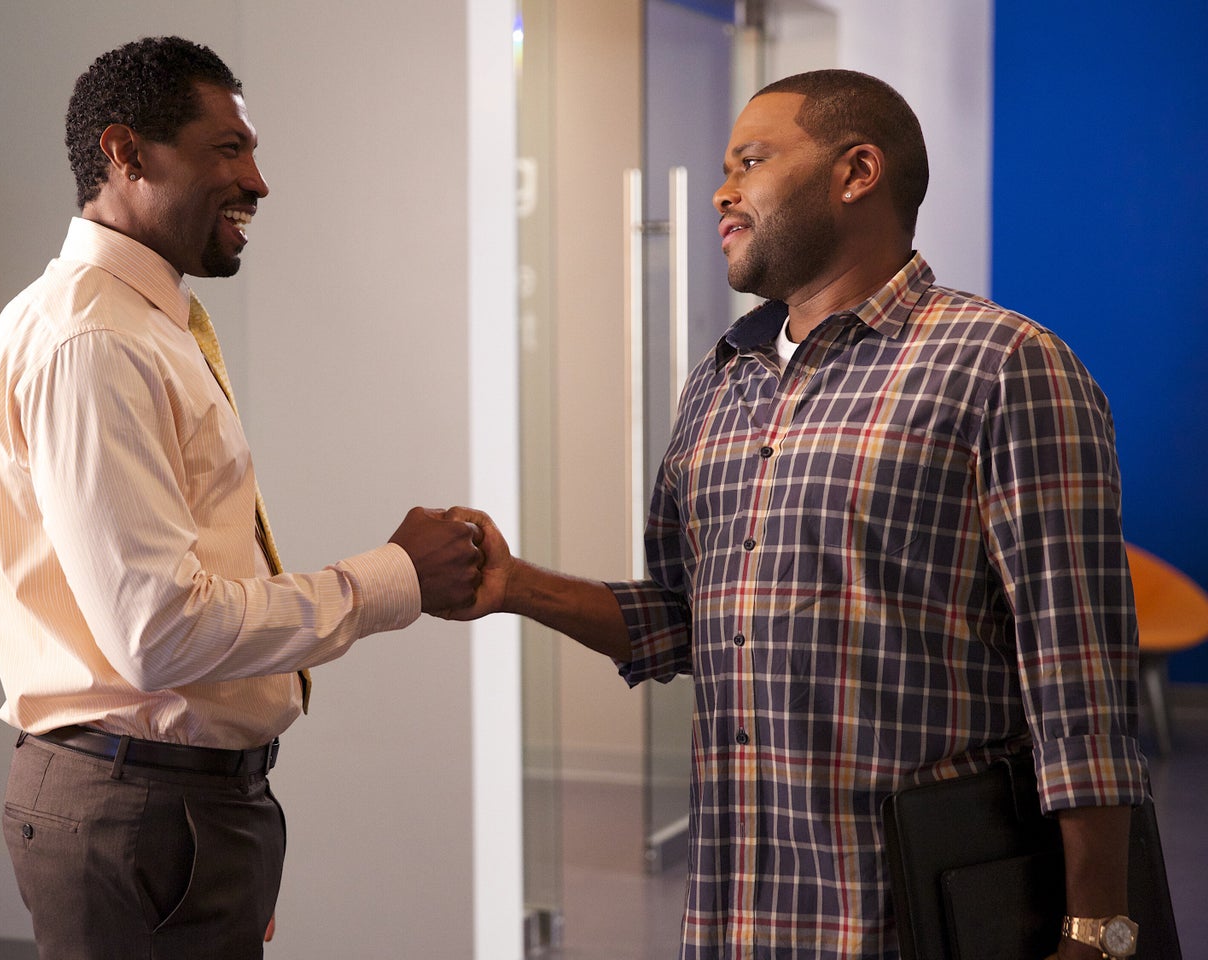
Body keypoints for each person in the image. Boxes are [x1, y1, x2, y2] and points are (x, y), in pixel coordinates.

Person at [451, 70, 1145, 959]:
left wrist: (1098, 930)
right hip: (738, 915)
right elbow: (684, 622)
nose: (721, 190)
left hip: (913, 914)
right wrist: (515, 585)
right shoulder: (720, 378)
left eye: (752, 159)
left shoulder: (1006, 365)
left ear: (857, 172)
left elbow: (1078, 670)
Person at [0, 36, 484, 959]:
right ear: (125, 153)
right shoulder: (96, 341)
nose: (259, 181)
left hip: (176, 807)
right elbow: (158, 632)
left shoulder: (139, 325)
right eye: (227, 149)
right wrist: (393, 577)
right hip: (144, 809)